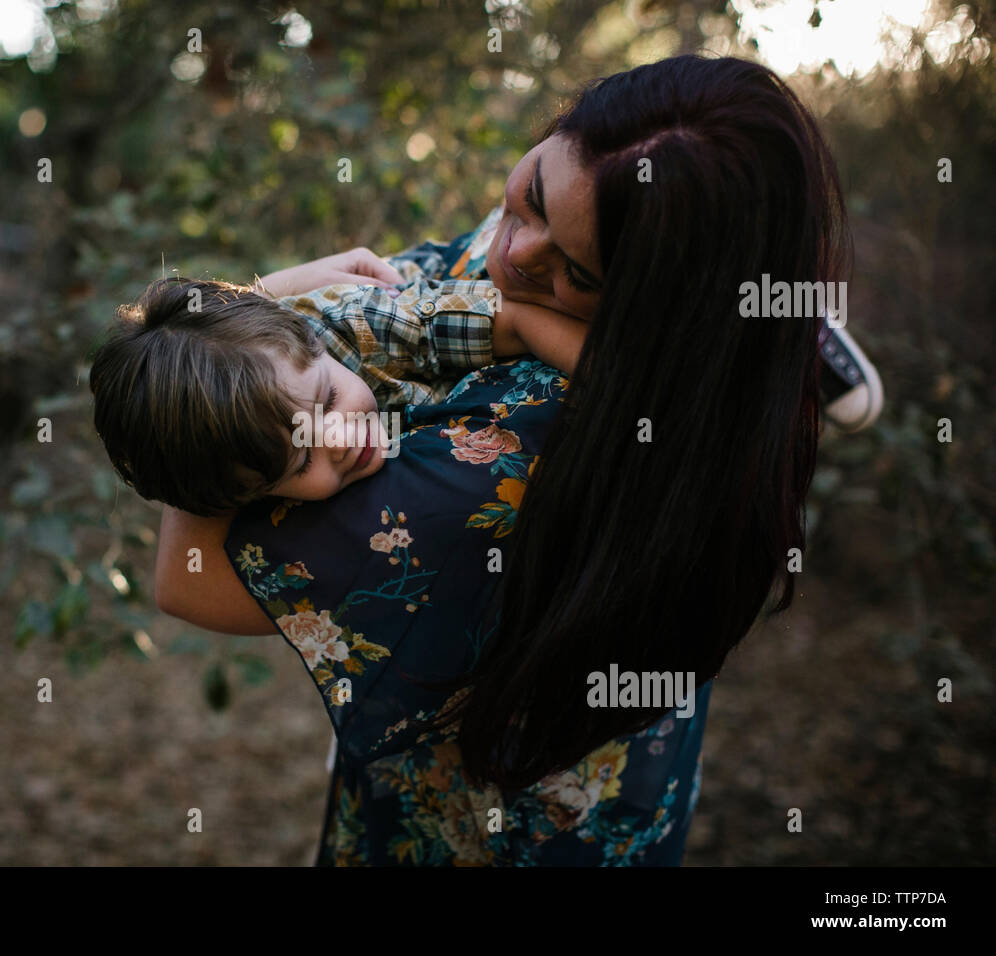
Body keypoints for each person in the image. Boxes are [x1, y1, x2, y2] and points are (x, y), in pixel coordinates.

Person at [151, 55, 867, 865]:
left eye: (576, 271)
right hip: (636, 774)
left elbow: (187, 579)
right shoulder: (590, 281)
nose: (508, 253)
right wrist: (261, 319)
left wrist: (238, 333)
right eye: (528, 195)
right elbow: (400, 304)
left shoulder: (489, 470)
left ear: (653, 297)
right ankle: (784, 333)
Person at [88, 263, 586, 516]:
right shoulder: (236, 469)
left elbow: (514, 319)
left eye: (327, 401)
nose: (341, 440)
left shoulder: (362, 320)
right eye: (301, 463)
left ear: (310, 339)